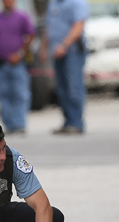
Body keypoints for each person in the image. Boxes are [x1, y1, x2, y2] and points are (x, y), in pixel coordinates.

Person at [0, 0, 35, 135]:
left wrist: (20, 53)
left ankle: (19, 124)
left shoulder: (22, 17)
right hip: (0, 62)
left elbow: (31, 35)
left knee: (20, 94)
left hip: (17, 63)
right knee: (4, 94)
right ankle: (10, 125)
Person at [40, 0, 89, 135]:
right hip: (56, 52)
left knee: (73, 87)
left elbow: (78, 26)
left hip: (72, 51)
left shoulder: (77, 3)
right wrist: (44, 48)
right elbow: (49, 26)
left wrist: (64, 45)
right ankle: (68, 122)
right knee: (62, 89)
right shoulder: (53, 3)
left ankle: (76, 123)